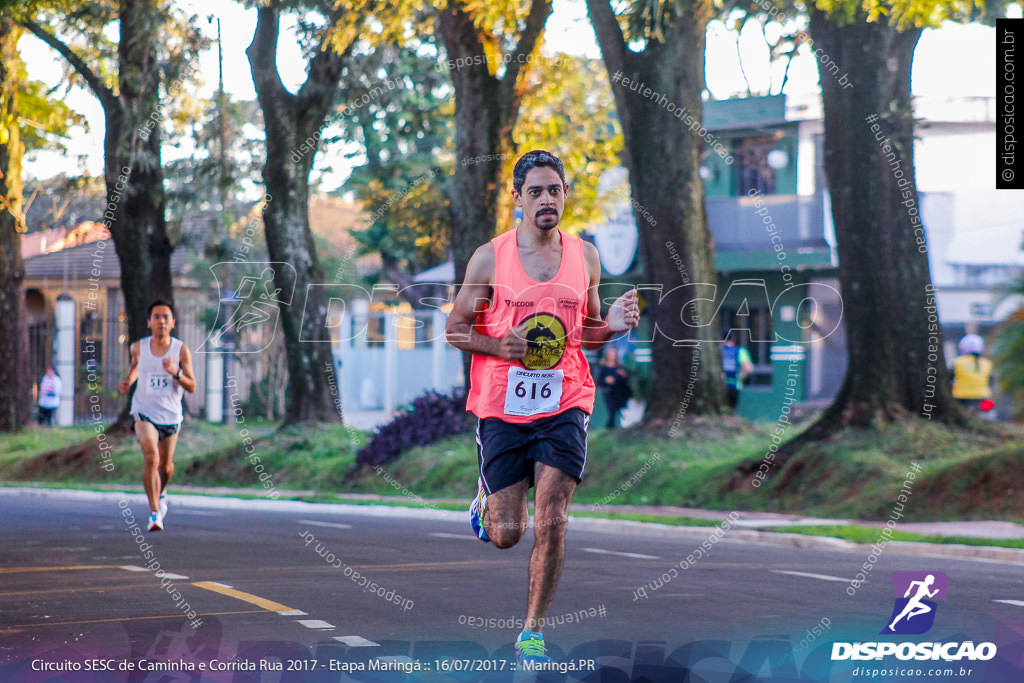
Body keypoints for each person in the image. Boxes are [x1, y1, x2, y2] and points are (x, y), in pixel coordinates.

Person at [446, 150, 640, 665]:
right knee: (509, 534)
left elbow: (588, 335)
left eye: (554, 189)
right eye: (535, 191)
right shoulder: (491, 257)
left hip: (565, 400)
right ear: (517, 198)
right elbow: (455, 329)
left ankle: (531, 633)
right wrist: (496, 347)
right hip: (502, 404)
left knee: (552, 518)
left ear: (565, 195)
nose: (546, 199)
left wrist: (614, 325)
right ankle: (486, 498)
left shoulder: (586, 257)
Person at [119, 301, 196, 531]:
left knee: (166, 467)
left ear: (172, 323)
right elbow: (135, 367)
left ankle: (161, 492)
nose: (161, 321)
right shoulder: (138, 347)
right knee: (151, 456)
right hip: (144, 411)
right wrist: (128, 381)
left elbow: (191, 386)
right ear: (149, 322)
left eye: (165, 317)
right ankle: (154, 514)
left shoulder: (180, 350)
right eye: (157, 317)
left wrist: (175, 372)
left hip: (171, 415)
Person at [951, 334, 994, 416]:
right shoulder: (988, 363)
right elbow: (991, 380)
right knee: (986, 415)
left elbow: (950, 378)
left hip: (961, 397)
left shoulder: (957, 362)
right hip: (983, 396)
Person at [597, 347, 632, 429]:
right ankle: (609, 427)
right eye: (611, 354)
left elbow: (624, 380)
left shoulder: (620, 368)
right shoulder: (603, 368)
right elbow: (599, 381)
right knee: (611, 410)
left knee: (620, 410)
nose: (612, 356)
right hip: (609, 392)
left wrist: (619, 377)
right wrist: (606, 381)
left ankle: (619, 427)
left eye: (614, 354)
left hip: (619, 392)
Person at [722, 334, 754, 410]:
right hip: (734, 386)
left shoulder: (717, 350)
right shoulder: (740, 350)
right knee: (731, 409)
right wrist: (740, 378)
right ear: (733, 338)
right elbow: (749, 368)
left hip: (718, 386)